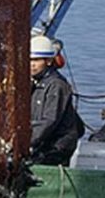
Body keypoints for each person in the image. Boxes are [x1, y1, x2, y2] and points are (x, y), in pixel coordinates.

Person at [29, 34, 82, 165]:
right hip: (43, 142)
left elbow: (49, 120)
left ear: (48, 61)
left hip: (56, 147)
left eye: (37, 60)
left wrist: (26, 142)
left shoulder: (57, 85)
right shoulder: (35, 83)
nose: (32, 64)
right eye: (30, 60)